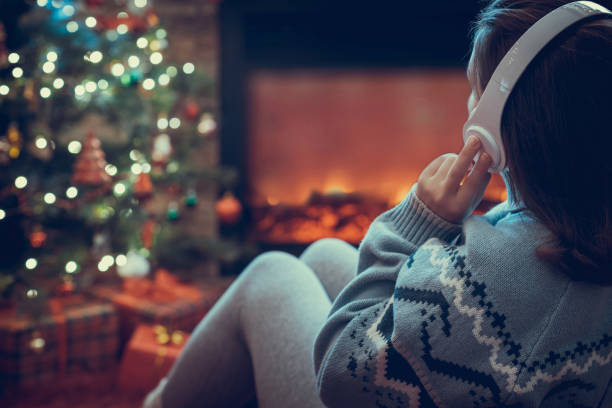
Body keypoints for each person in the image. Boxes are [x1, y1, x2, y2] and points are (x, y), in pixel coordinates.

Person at [143, 0, 612, 406]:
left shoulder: (493, 282)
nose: (468, 106)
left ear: (503, 118)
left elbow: (341, 370)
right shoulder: (579, 226)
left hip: (357, 389)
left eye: (475, 89)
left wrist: (416, 224)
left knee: (271, 274)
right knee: (326, 254)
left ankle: (159, 404)